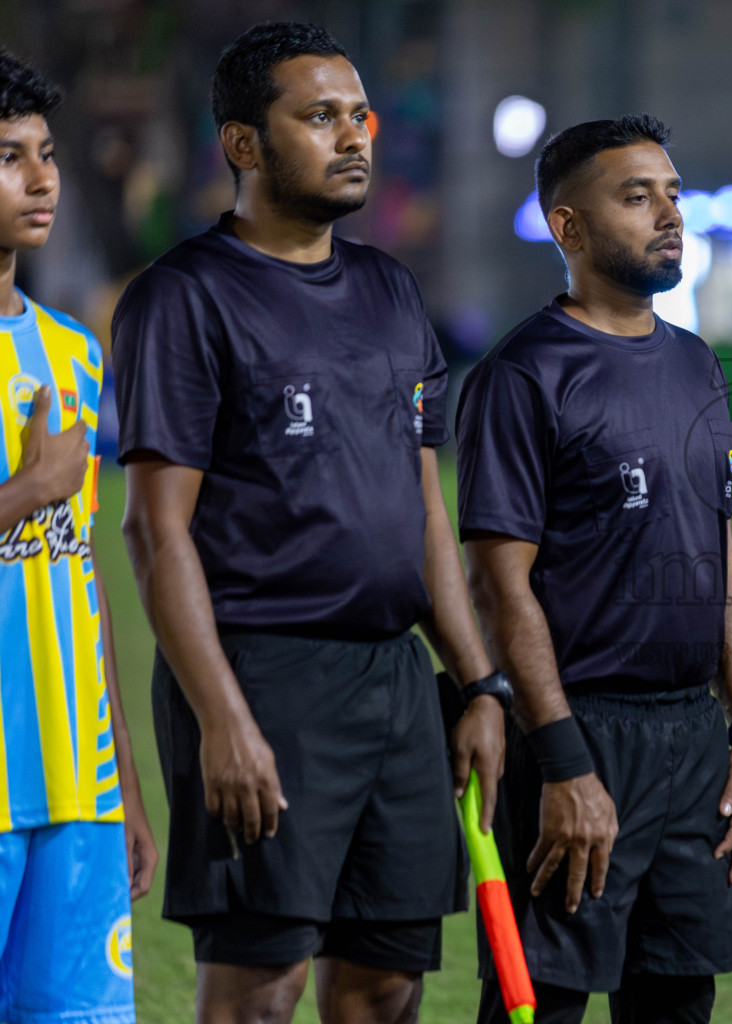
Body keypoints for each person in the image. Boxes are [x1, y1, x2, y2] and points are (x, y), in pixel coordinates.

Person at [111, 22, 505, 1024]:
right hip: (262, 676)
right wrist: (223, 721)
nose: (353, 136)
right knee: (259, 991)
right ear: (245, 143)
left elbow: (424, 509)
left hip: (395, 686)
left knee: (385, 989)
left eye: (357, 115)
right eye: (319, 116)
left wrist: (478, 683)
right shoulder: (185, 298)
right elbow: (156, 534)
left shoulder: (390, 292)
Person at [457, 114, 732, 1024]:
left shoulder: (696, 365)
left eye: (673, 194)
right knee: (541, 1005)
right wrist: (562, 763)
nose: (668, 214)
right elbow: (499, 584)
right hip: (580, 732)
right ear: (569, 227)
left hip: (692, 739)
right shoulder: (524, 376)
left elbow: (719, 562)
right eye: (636, 197)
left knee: (679, 999)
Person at [0, 48, 157, 1024]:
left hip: (76, 780)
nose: (42, 176)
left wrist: (126, 784)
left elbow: (82, 574)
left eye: (46, 152)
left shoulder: (73, 351)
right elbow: (44, 503)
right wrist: (31, 487)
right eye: (10, 156)